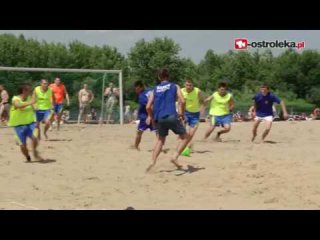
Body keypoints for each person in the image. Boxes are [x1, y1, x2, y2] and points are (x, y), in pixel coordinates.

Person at [145, 69, 189, 172]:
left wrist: (152, 118)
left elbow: (148, 107)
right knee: (185, 137)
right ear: (168, 76)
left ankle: (153, 161)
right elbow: (182, 101)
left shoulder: (154, 90)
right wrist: (182, 114)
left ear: (159, 78)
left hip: (159, 117)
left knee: (160, 140)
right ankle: (175, 156)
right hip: (171, 115)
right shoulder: (175, 86)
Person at [8, 83, 43, 162]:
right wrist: (31, 102)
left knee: (35, 138)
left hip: (30, 123)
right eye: (29, 90)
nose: (30, 92)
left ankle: (34, 151)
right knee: (23, 146)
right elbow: (19, 105)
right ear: (23, 91)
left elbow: (35, 109)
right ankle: (27, 156)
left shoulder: (30, 98)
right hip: (18, 125)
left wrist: (37, 120)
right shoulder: (15, 98)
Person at [180, 79, 205, 151]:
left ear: (192, 85)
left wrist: (202, 109)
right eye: (187, 85)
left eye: (190, 85)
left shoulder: (197, 91)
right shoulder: (181, 91)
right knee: (183, 131)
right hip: (185, 113)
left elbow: (203, 101)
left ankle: (189, 145)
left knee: (191, 133)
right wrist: (180, 113)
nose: (188, 87)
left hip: (195, 114)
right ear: (184, 85)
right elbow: (178, 102)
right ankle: (184, 146)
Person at [132, 81, 156, 151]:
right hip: (153, 115)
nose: (136, 90)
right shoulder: (150, 90)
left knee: (139, 132)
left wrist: (149, 116)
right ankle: (159, 147)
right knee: (157, 132)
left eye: (137, 89)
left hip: (145, 117)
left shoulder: (142, 96)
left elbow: (150, 105)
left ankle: (136, 146)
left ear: (141, 87)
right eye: (135, 89)